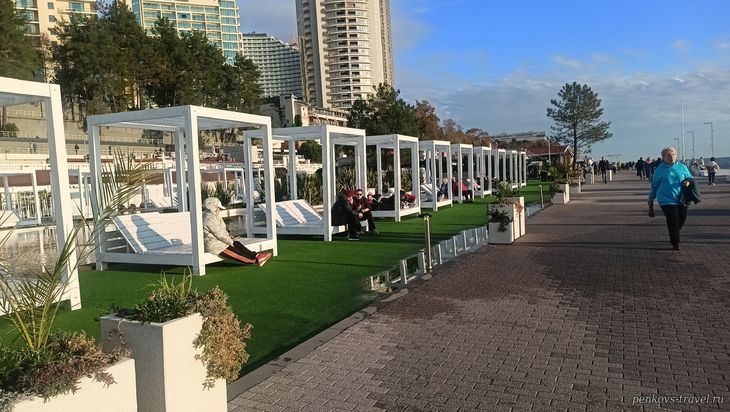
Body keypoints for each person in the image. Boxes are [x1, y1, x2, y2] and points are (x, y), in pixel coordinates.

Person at [202, 197, 271, 266]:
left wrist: (230, 239)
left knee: (237, 244)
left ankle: (257, 255)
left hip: (221, 242)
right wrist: (230, 241)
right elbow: (220, 234)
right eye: (219, 208)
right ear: (214, 208)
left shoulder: (213, 216)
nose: (219, 210)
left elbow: (222, 231)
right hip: (216, 246)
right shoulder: (209, 219)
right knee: (238, 254)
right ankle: (255, 259)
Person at [648, 146, 693, 251]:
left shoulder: (682, 167)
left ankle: (674, 233)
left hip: (681, 198)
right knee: (673, 219)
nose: (671, 157)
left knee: (682, 218)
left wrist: (688, 181)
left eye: (673, 154)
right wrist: (651, 199)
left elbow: (690, 177)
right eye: (668, 155)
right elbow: (654, 186)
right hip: (666, 199)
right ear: (664, 157)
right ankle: (675, 242)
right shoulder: (659, 170)